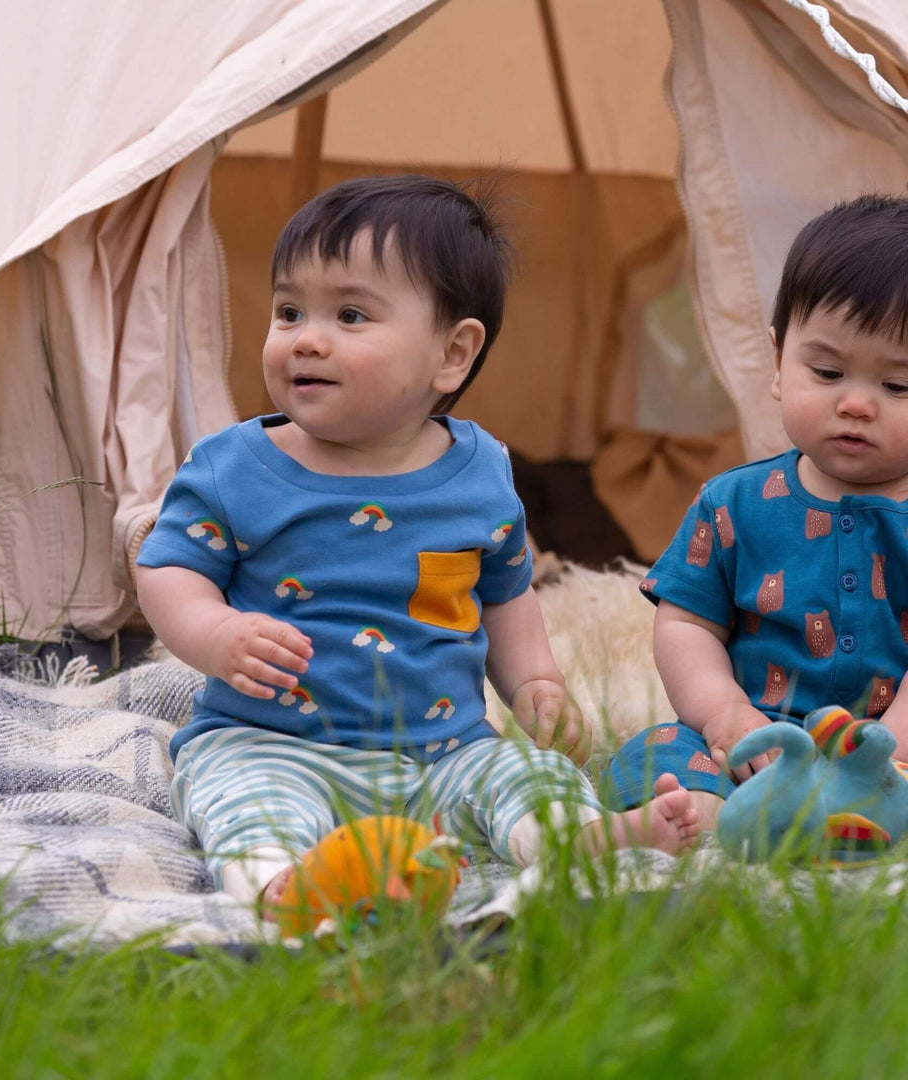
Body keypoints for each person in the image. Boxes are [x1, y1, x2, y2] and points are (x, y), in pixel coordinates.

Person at [136, 174, 699, 909]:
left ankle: (575, 838)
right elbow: (169, 568)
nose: (306, 337)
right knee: (243, 797)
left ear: (452, 354)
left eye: (349, 314)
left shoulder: (480, 473)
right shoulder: (233, 466)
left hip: (442, 754)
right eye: (288, 310)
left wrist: (535, 683)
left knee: (521, 774)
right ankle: (285, 881)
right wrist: (215, 634)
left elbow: (504, 592)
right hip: (270, 740)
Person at [606, 193, 908, 832]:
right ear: (777, 363)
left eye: (897, 385)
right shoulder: (732, 504)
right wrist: (724, 715)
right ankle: (699, 818)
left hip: (888, 749)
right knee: (656, 746)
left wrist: (888, 752)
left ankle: (854, 815)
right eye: (827, 372)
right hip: (757, 739)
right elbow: (687, 625)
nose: (856, 404)